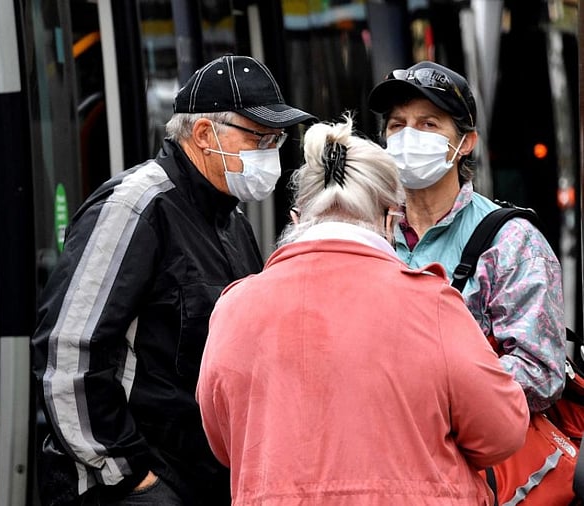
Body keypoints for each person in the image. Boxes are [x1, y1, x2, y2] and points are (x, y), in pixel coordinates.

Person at [196, 115, 529, 505]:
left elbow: (224, 442)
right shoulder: (432, 305)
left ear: (297, 219)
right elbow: (502, 433)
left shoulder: (235, 308)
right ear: (390, 218)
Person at [31, 54, 315, 506]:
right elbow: (68, 354)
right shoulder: (135, 207)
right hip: (140, 486)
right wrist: (129, 477)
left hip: (201, 479)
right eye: (259, 137)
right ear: (204, 135)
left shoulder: (231, 222)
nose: (271, 152)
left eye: (277, 139)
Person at [367, 61, 565, 413]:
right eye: (397, 125)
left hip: (464, 458)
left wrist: (428, 387)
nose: (408, 136)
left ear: (465, 142)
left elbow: (539, 372)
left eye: (428, 124)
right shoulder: (364, 233)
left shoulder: (511, 242)